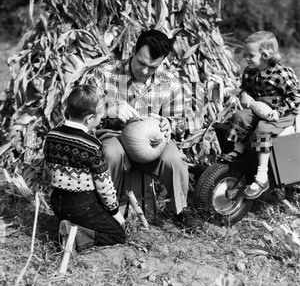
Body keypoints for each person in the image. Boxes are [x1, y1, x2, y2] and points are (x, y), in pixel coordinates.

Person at [86, 29, 200, 231]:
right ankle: (101, 211)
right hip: (115, 135)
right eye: (142, 63)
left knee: (175, 160)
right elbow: (84, 113)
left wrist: (169, 124)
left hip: (153, 141)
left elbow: (180, 124)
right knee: (110, 154)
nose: (145, 71)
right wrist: (108, 111)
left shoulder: (170, 84)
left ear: (162, 61)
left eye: (153, 67)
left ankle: (180, 211)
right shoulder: (104, 74)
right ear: (134, 51)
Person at [43, 84, 126, 252]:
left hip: (58, 201)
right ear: (89, 119)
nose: (101, 120)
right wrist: (115, 212)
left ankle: (66, 222)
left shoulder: (51, 135)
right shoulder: (92, 145)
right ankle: (76, 235)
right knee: (118, 235)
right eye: (100, 116)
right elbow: (104, 186)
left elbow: (49, 170)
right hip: (81, 206)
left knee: (87, 209)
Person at [221, 30, 300, 199]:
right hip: (260, 108)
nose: (245, 58)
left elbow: (296, 95)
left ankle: (262, 176)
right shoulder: (249, 71)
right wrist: (245, 95)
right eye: (245, 54)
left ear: (266, 55)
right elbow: (245, 88)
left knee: (263, 128)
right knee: (240, 117)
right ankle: (238, 149)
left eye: (250, 55)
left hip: (281, 112)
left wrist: (278, 112)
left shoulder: (282, 73)